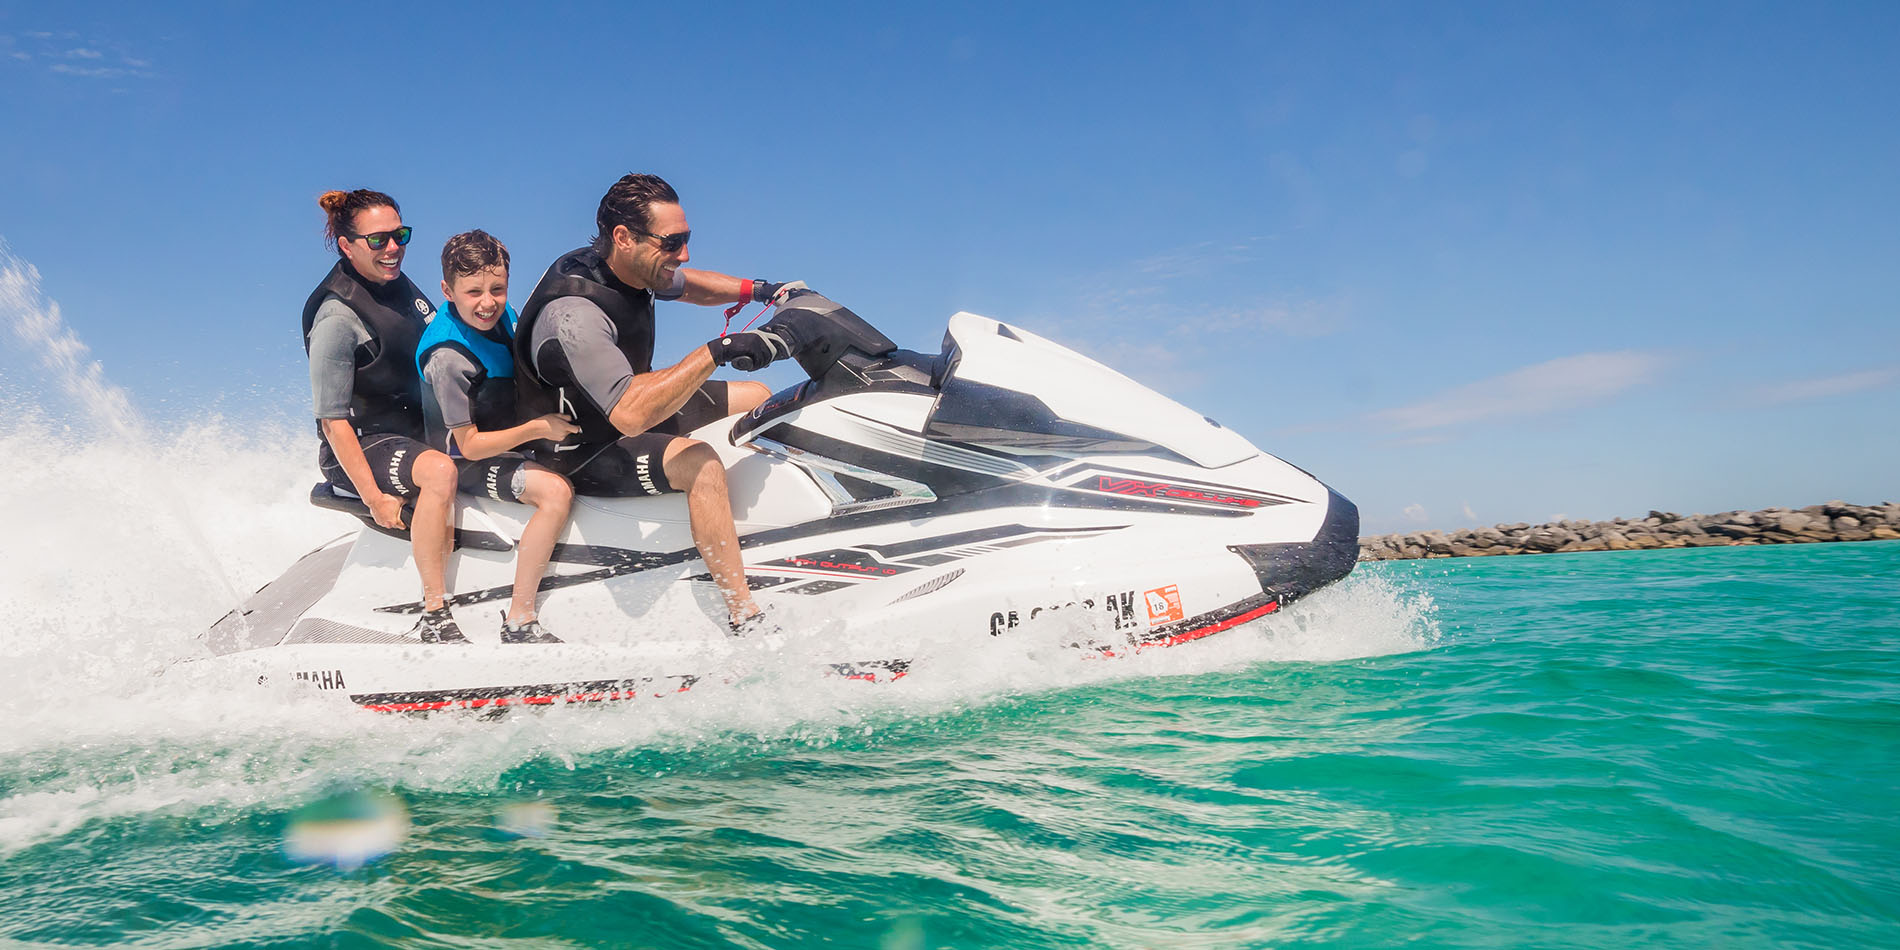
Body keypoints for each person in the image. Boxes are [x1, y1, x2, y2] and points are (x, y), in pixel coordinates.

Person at [511, 173, 803, 633]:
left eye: (686, 238)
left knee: (759, 400)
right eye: (672, 242)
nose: (683, 254)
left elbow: (687, 285)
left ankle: (781, 524)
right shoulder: (574, 313)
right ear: (624, 237)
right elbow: (631, 416)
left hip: (623, 406)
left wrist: (765, 291)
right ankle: (744, 615)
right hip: (581, 446)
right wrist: (716, 352)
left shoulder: (630, 265)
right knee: (701, 464)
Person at [303, 189, 466, 645]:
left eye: (400, 235)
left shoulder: (399, 287)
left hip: (413, 435)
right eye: (378, 240)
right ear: (347, 244)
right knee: (439, 471)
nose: (393, 248)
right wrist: (373, 498)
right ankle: (434, 614)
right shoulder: (336, 316)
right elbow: (334, 421)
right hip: (360, 445)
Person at [415, 230, 580, 643]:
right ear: (447, 291)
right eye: (473, 292)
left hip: (512, 440)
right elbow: (467, 445)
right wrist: (539, 428)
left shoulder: (502, 317)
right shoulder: (448, 358)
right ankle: (520, 621)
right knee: (555, 493)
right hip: (468, 460)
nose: (487, 302)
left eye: (498, 289)